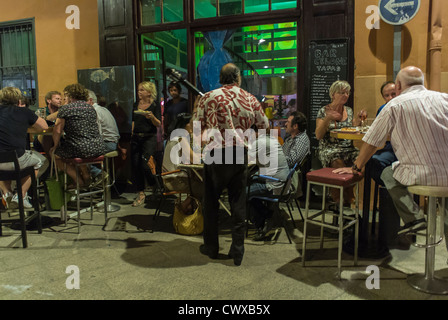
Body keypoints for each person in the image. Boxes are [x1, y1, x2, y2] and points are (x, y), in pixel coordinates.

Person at [334, 66, 448, 240]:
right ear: (423, 82)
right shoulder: (445, 99)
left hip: (419, 175)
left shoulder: (395, 105)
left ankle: (414, 218)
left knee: (388, 171)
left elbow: (372, 142)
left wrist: (356, 167)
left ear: (399, 85)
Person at [193, 63, 268, 266]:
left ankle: (211, 248)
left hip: (215, 154)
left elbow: (197, 129)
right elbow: (264, 125)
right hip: (238, 153)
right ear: (238, 78)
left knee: (211, 203)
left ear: (220, 77)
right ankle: (238, 252)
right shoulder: (250, 98)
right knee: (237, 203)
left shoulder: (207, 97)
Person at [315, 80, 364, 207]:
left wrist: (359, 121)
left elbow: (353, 129)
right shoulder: (323, 111)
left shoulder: (349, 110)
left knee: (364, 160)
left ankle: (348, 195)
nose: (345, 95)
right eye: (342, 92)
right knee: (337, 161)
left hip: (348, 148)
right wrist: (328, 118)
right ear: (333, 94)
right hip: (329, 148)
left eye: (347, 93)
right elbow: (318, 135)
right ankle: (340, 200)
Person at [0, 87, 48, 209]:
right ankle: (21, 195)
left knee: (4, 165)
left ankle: (6, 193)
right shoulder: (23, 112)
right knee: (41, 161)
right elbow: (44, 127)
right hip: (17, 158)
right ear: (18, 99)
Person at [50, 84, 106, 188]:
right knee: (76, 149)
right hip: (98, 147)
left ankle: (79, 181)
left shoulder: (66, 109)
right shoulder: (90, 108)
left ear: (70, 95)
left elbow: (57, 130)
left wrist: (55, 145)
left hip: (80, 148)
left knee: (56, 154)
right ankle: (86, 175)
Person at [247, 126, 290, 241]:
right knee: (250, 183)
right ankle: (265, 216)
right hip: (283, 182)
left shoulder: (259, 142)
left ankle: (263, 222)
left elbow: (244, 159)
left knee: (243, 193)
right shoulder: (270, 139)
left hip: (276, 185)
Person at [131, 81, 162, 207]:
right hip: (136, 137)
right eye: (139, 90)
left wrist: (152, 117)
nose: (139, 92)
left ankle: (154, 185)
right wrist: (132, 133)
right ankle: (141, 193)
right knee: (135, 165)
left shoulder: (154, 105)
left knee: (145, 164)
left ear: (149, 92)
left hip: (149, 137)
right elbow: (133, 120)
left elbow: (158, 123)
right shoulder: (135, 104)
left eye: (142, 90)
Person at [162, 113, 202, 199]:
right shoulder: (181, 138)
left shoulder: (174, 137)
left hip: (170, 178)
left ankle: (189, 207)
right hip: (176, 180)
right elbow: (195, 160)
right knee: (208, 188)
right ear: (185, 125)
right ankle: (184, 207)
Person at [86, 90, 120, 183]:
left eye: (83, 101)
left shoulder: (94, 111)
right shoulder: (102, 109)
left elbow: (98, 133)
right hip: (112, 142)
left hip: (108, 144)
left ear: (90, 100)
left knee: (80, 151)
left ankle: (99, 174)